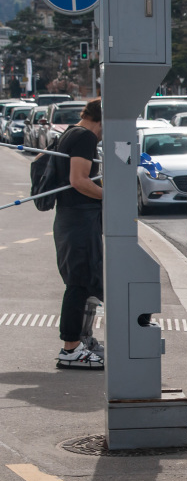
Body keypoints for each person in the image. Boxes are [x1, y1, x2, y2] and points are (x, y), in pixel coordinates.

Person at [53, 98, 104, 369]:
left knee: (85, 283)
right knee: (79, 283)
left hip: (70, 219)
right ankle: (70, 348)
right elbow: (78, 180)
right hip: (79, 221)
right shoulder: (85, 137)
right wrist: (109, 197)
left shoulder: (71, 132)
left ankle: (79, 341)